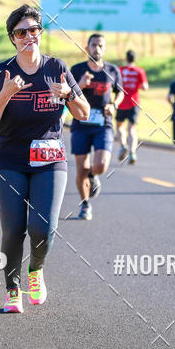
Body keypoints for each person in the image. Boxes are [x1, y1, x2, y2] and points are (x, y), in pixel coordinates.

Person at [0, 5, 89, 313]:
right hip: (8, 160)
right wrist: (5, 94)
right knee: (14, 229)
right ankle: (12, 290)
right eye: (21, 32)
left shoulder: (57, 68)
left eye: (33, 30)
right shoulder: (2, 72)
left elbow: (85, 112)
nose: (29, 36)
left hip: (50, 159)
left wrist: (68, 95)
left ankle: (35, 270)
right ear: (12, 38)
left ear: (40, 33)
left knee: (43, 228)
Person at [70, 34, 123, 221]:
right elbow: (66, 93)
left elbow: (121, 93)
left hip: (103, 123)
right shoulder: (76, 70)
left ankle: (93, 175)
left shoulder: (112, 70)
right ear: (87, 48)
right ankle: (85, 204)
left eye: (100, 46)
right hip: (80, 124)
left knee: (101, 165)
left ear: (104, 49)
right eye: (94, 45)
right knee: (80, 169)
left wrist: (114, 105)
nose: (97, 49)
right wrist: (80, 85)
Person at [116, 50, 149, 164]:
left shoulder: (120, 70)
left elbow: (115, 84)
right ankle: (132, 152)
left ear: (126, 58)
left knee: (120, 126)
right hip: (134, 103)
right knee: (132, 129)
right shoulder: (139, 71)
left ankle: (123, 145)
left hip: (121, 102)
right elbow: (145, 87)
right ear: (135, 59)